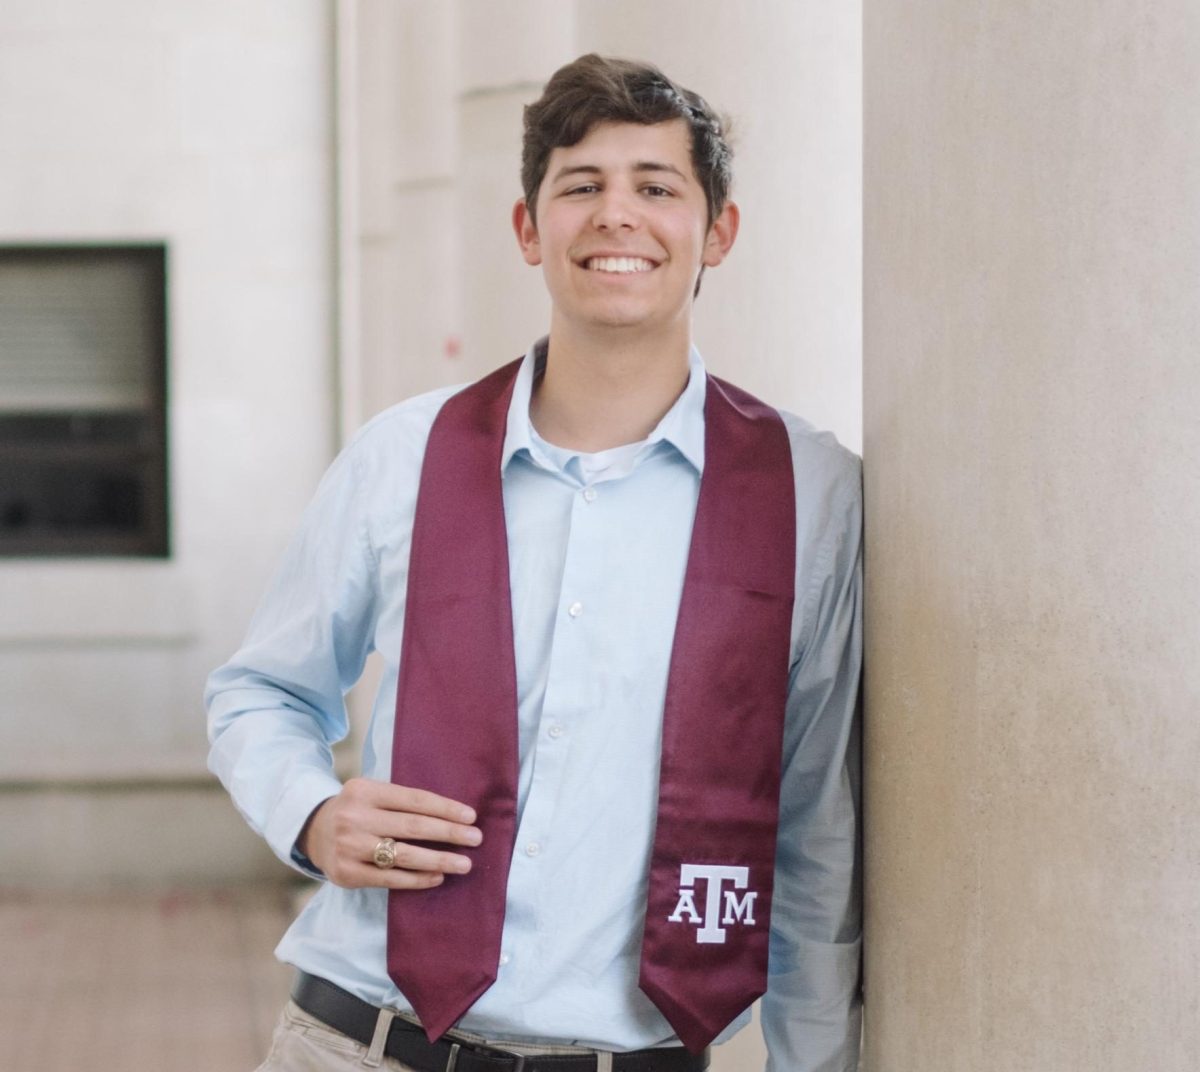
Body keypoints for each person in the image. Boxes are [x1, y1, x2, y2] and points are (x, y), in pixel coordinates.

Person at [207, 53, 862, 1072]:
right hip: (362, 1041)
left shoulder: (808, 492)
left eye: (656, 187)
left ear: (716, 233)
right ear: (528, 229)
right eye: (580, 187)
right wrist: (312, 813)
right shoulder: (402, 458)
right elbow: (258, 693)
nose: (618, 216)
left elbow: (814, 815)